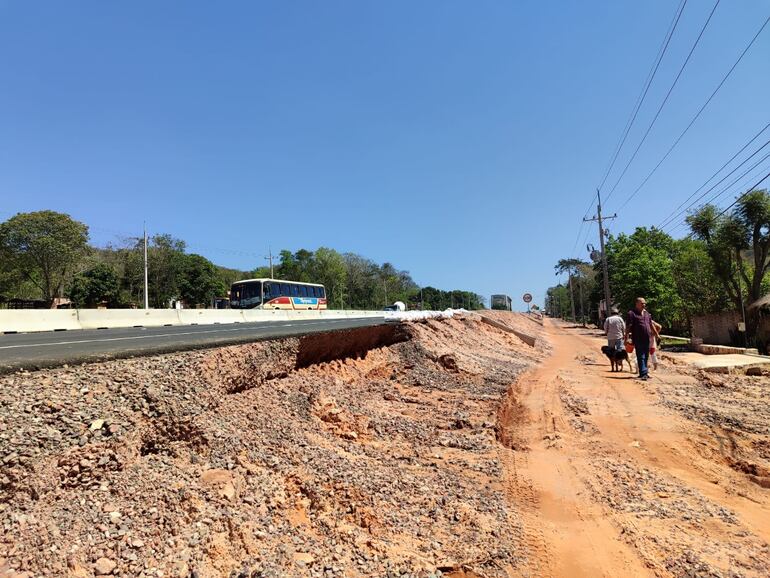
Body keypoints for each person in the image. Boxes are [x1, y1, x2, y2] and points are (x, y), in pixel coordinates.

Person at [625, 297, 653, 380]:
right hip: (638, 338)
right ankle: (643, 373)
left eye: (644, 303)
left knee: (646, 355)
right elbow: (629, 326)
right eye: (642, 303)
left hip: (647, 337)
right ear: (637, 304)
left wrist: (656, 335)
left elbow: (651, 324)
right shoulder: (632, 313)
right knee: (641, 355)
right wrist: (626, 337)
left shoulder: (647, 314)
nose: (644, 305)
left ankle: (645, 373)